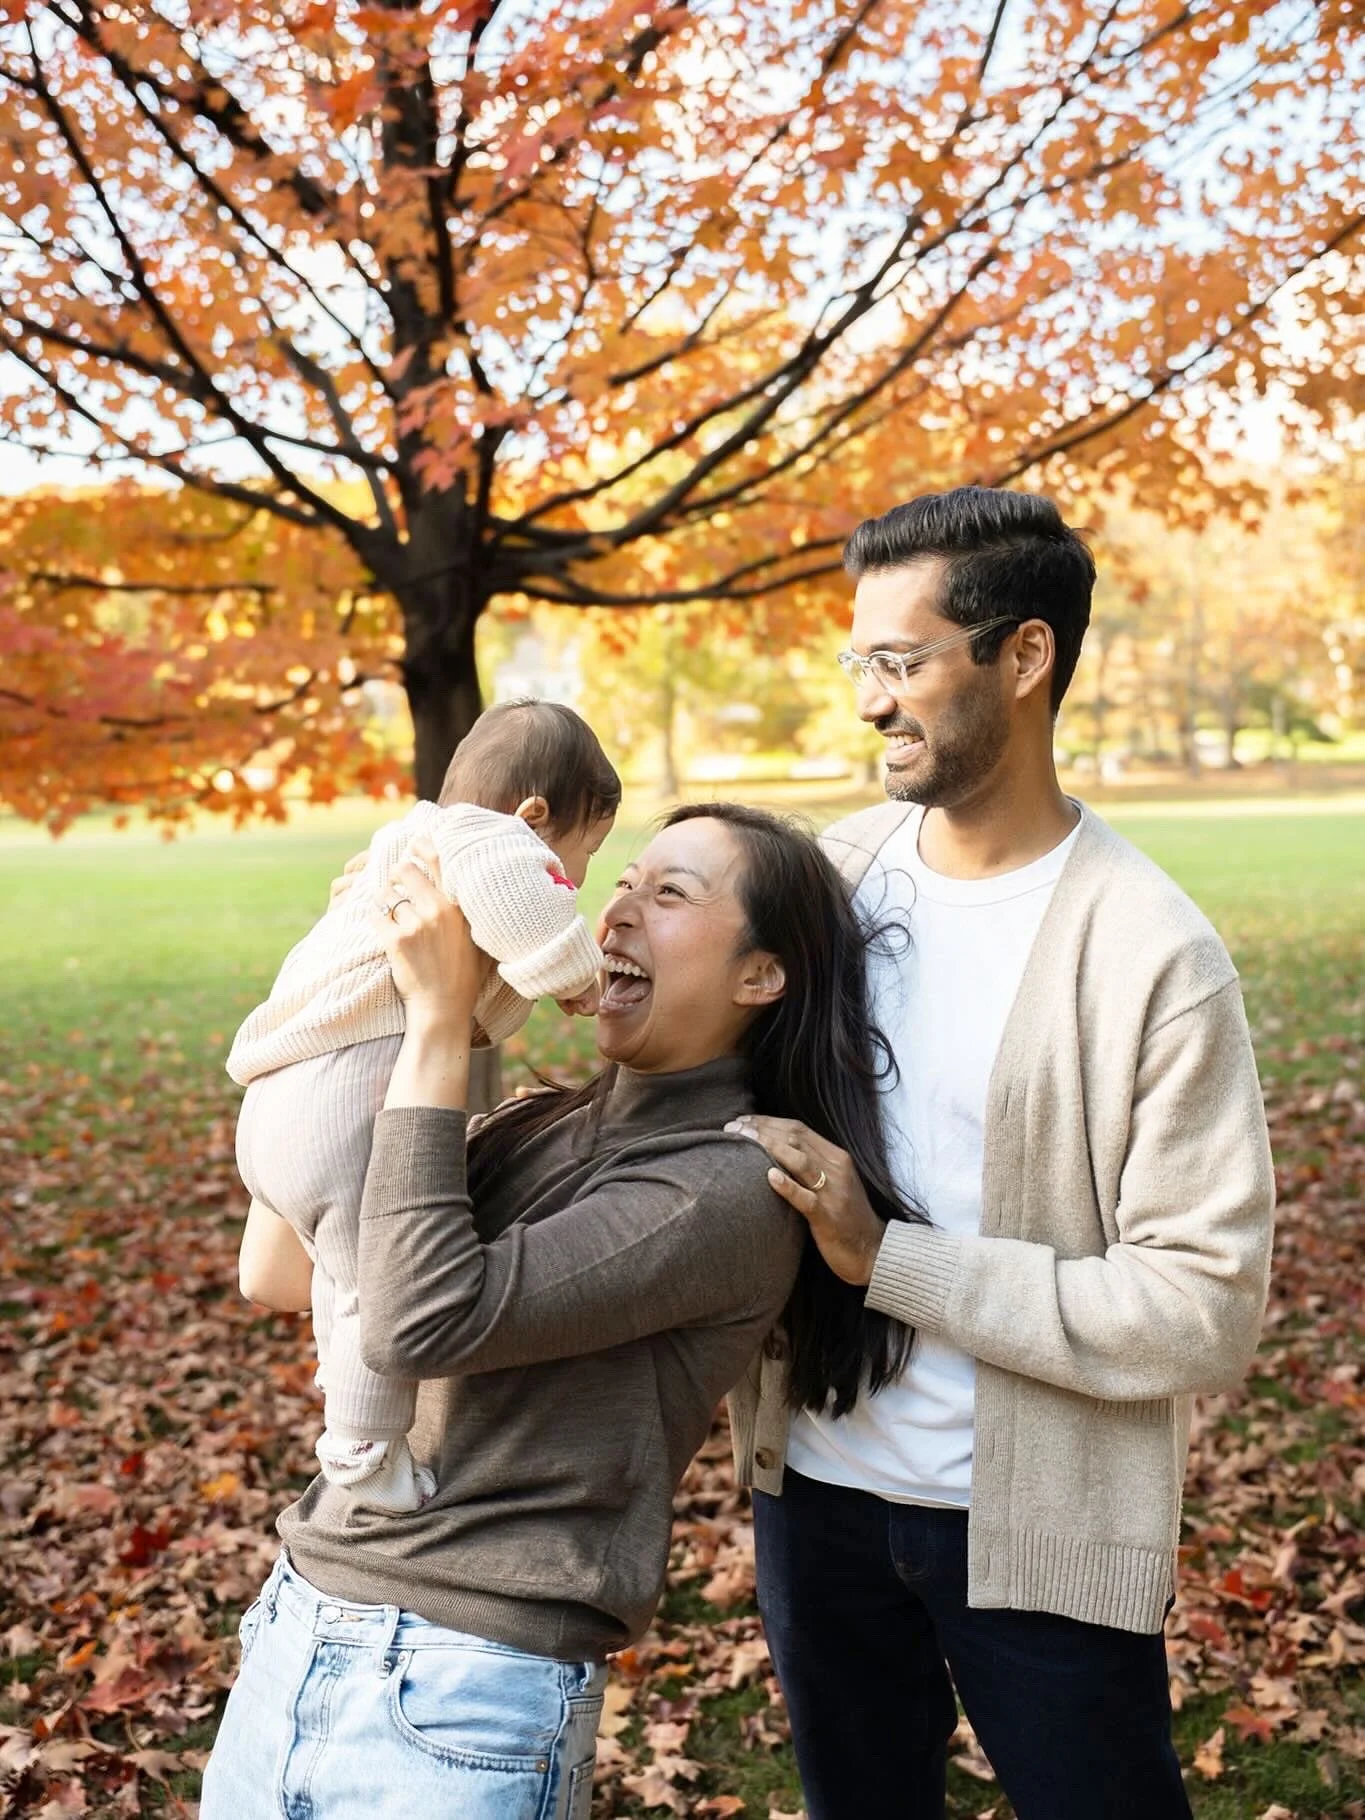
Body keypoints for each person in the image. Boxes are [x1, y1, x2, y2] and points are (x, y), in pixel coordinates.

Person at [202, 802, 923, 1820]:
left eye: (671, 893)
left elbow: (415, 1321)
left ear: (762, 976)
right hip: (300, 1621)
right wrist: (356, 983)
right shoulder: (538, 1123)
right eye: (622, 881)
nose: (619, 909)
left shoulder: (723, 1190)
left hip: (459, 1691)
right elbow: (278, 1265)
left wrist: (446, 1022)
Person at [726, 487, 1276, 1820]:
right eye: (861, 661)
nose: (869, 700)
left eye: (901, 661)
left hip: (1037, 1537)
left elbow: (1203, 1309)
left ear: (1021, 658)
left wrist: (893, 1261)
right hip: (818, 1503)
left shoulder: (1150, 953)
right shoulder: (829, 886)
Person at [228, 700, 619, 1513]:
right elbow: (523, 902)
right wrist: (574, 972)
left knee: (342, 1282)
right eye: (583, 854)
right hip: (337, 1105)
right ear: (534, 815)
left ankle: (348, 1412)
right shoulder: (482, 837)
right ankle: (366, 1451)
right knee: (384, 1283)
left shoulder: (401, 848)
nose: (576, 881)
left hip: (276, 1106)